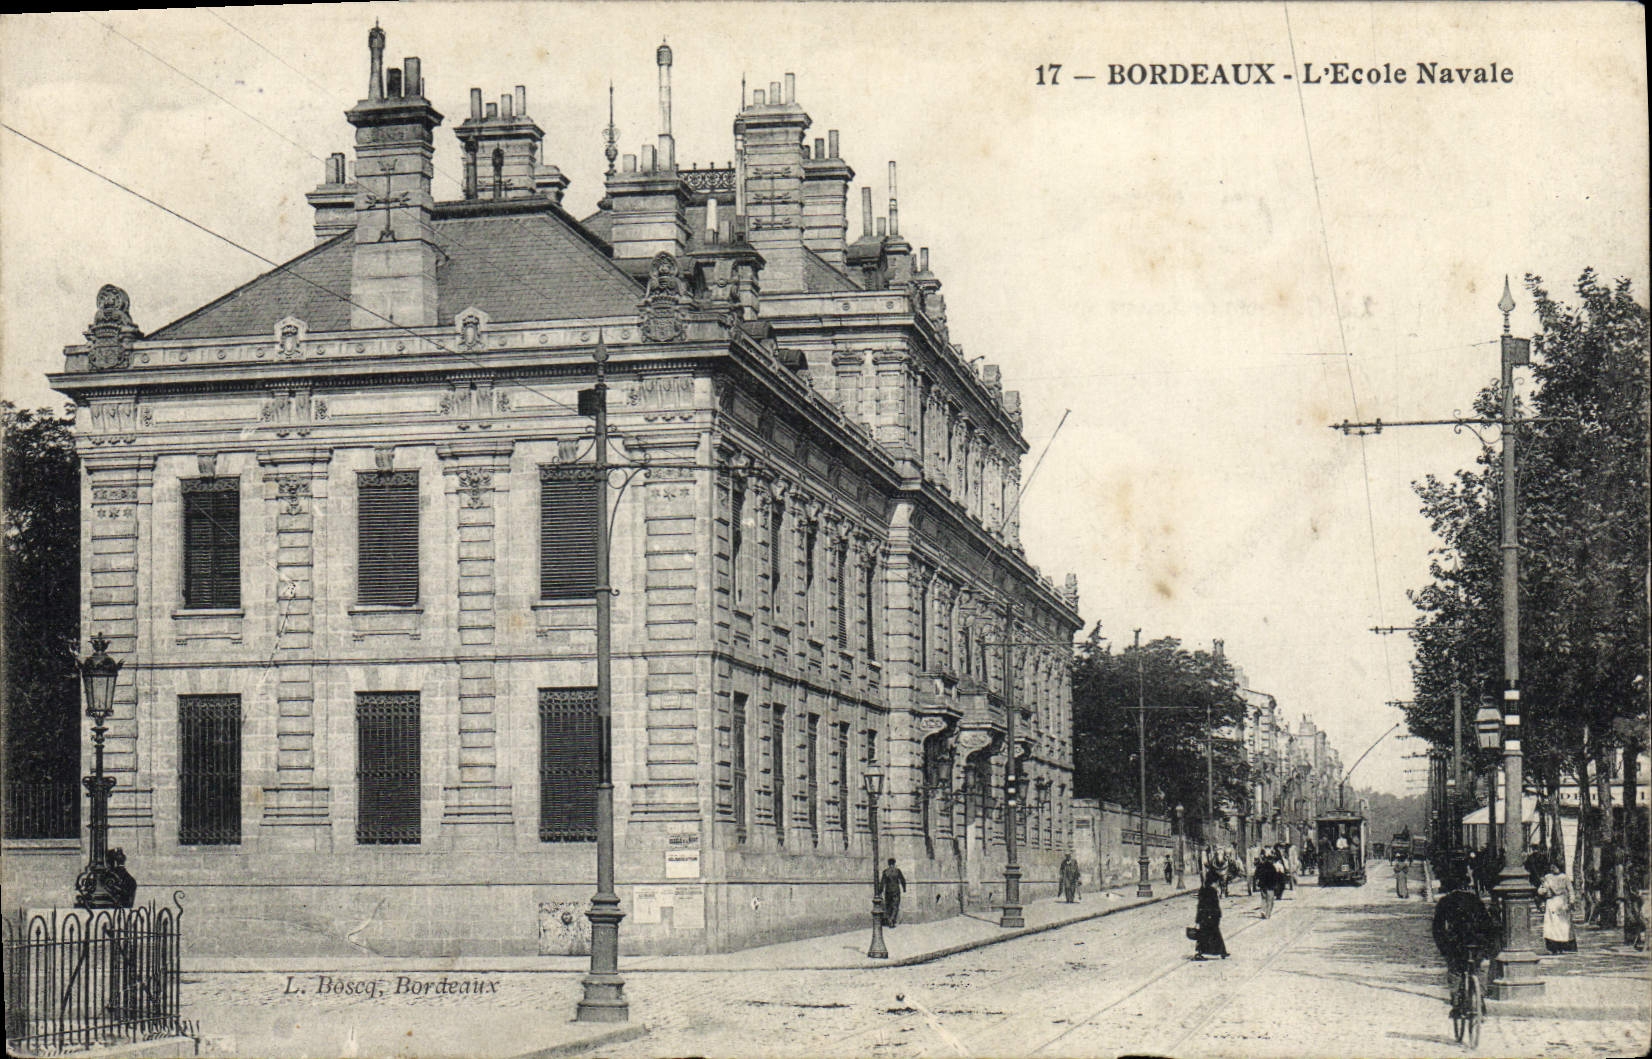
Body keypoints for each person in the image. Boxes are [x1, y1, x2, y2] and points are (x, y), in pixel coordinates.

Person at [1433, 860, 1497, 1019]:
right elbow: (1487, 923)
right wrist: (1488, 944)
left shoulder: (1445, 902)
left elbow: (1438, 928)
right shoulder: (1475, 900)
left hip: (1456, 944)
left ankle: (1456, 1003)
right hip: (1476, 942)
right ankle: (1480, 999)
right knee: (1477, 968)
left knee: (1455, 971)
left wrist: (1443, 947)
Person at [1536, 855, 1577, 954]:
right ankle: (1553, 947)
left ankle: (1563, 946)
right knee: (1552, 926)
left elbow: (1571, 890)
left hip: (1562, 903)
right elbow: (1540, 890)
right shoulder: (1547, 877)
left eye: (1555, 866)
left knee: (1563, 926)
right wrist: (1544, 891)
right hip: (1551, 903)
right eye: (1552, 866)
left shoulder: (1564, 877)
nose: (1553, 868)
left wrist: (1571, 901)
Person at [1192, 868, 1229, 960]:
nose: (1217, 885)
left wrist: (1198, 919)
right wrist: (1215, 915)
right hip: (1209, 917)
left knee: (1209, 935)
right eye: (1216, 882)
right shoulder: (1211, 891)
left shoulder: (1205, 889)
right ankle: (1200, 953)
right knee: (1207, 935)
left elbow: (1200, 905)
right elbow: (1211, 905)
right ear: (1213, 881)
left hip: (1206, 917)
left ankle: (1222, 952)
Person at [880, 857, 907, 927]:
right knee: (895, 906)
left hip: (888, 891)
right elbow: (903, 880)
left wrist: (880, 891)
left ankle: (889, 920)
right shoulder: (897, 871)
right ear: (894, 863)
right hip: (896, 891)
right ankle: (892, 919)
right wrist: (904, 888)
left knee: (888, 906)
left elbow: (882, 882)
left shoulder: (885, 871)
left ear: (888, 864)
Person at [1254, 854, 1278, 918]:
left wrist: (1258, 881)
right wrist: (1275, 886)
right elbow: (1275, 877)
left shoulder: (1261, 866)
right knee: (1270, 900)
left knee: (1263, 899)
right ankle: (1267, 914)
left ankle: (1263, 911)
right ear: (1271, 860)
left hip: (1262, 885)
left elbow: (1256, 874)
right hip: (1270, 886)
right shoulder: (1272, 867)